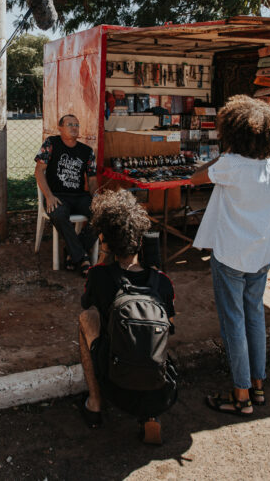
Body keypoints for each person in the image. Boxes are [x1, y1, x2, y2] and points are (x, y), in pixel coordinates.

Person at [189, 95, 270, 416]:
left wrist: (224, 155)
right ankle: (257, 386)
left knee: (234, 322)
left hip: (231, 255)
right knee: (254, 316)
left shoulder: (230, 165)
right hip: (262, 252)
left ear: (233, 132)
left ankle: (240, 395)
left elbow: (195, 177)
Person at [78, 189, 177, 445]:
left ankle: (96, 403)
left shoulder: (100, 276)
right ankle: (150, 416)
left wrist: (102, 257)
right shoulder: (162, 282)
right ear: (140, 238)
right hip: (163, 392)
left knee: (85, 319)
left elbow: (87, 304)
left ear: (105, 238)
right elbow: (171, 328)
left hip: (117, 386)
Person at [35, 114, 99, 275]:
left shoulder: (87, 151)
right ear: (60, 128)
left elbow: (92, 180)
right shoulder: (51, 143)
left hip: (79, 196)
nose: (74, 128)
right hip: (57, 195)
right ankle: (82, 258)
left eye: (76, 125)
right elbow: (39, 171)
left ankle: (74, 254)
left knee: (103, 213)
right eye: (69, 124)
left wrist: (96, 198)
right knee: (58, 213)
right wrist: (48, 196)